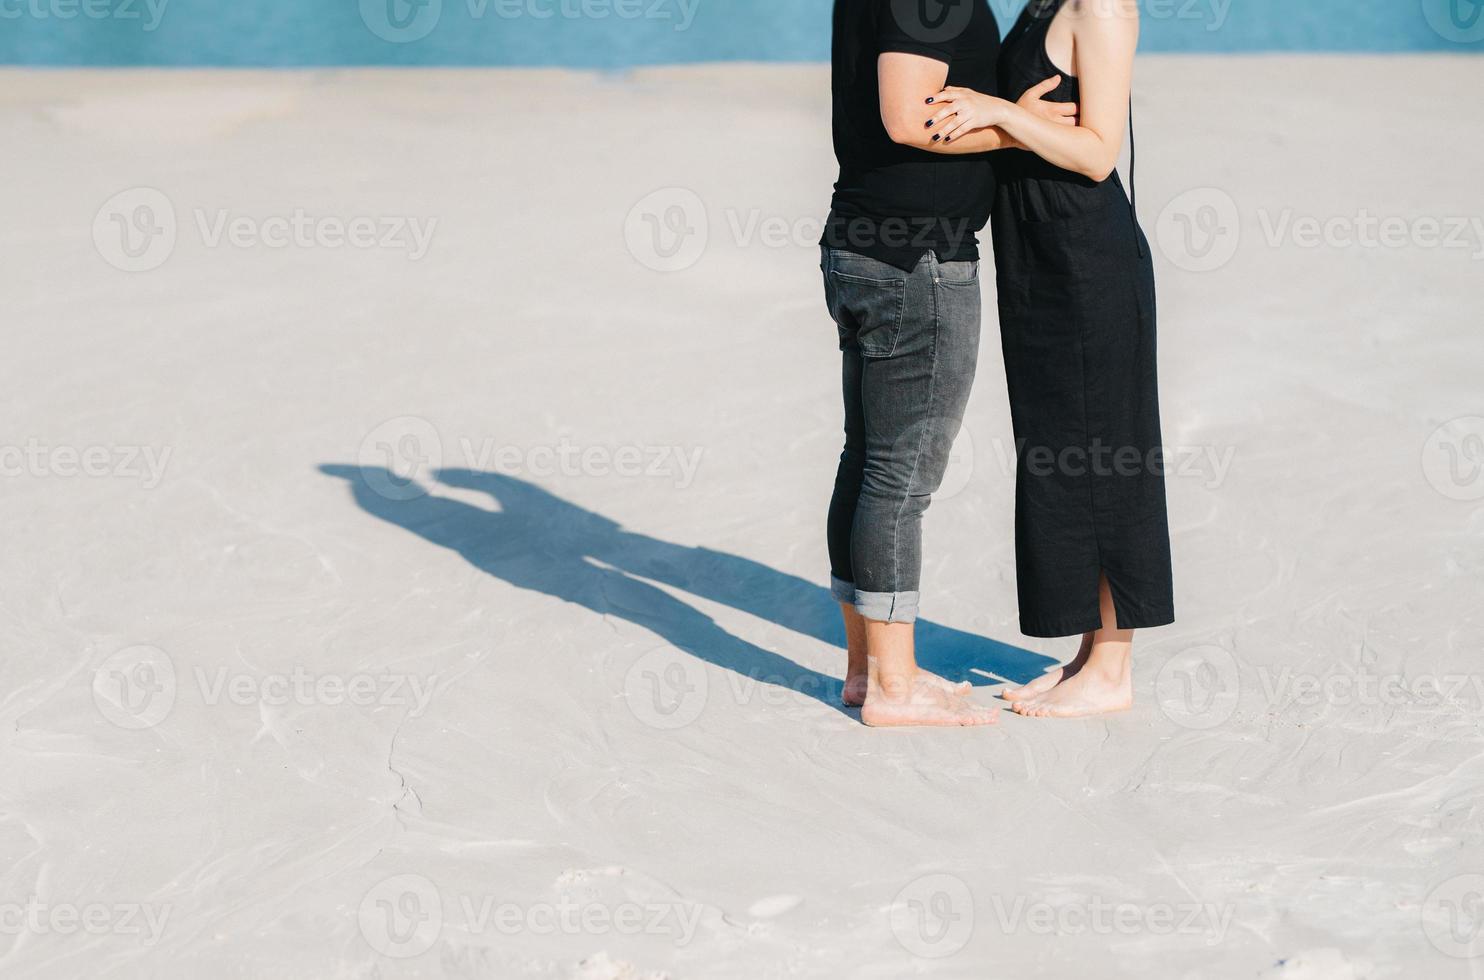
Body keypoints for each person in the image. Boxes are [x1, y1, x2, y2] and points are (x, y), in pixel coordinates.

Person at [821, 0, 1077, 727]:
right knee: (899, 479)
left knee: (869, 462)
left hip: (868, 248)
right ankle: (895, 688)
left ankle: (870, 671)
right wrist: (1020, 131)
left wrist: (1002, 115)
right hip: (915, 263)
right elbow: (908, 119)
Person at [919, 0, 1175, 718]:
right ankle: (1089, 656)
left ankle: (1114, 669)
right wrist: (1012, 118)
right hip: (1038, 253)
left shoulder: (1103, 8)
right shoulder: (1044, 4)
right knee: (1062, 448)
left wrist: (999, 110)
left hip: (1085, 254)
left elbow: (1097, 153)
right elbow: (1034, 125)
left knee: (1106, 454)